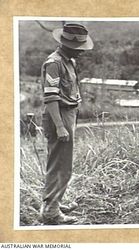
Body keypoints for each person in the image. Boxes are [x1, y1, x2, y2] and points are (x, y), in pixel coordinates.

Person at [40, 23, 94, 224]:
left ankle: (55, 201)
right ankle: (51, 212)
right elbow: (51, 97)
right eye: (78, 47)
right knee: (60, 165)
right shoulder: (54, 63)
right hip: (58, 116)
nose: (81, 51)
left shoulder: (69, 61)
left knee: (64, 163)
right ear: (66, 44)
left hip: (68, 114)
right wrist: (60, 126)